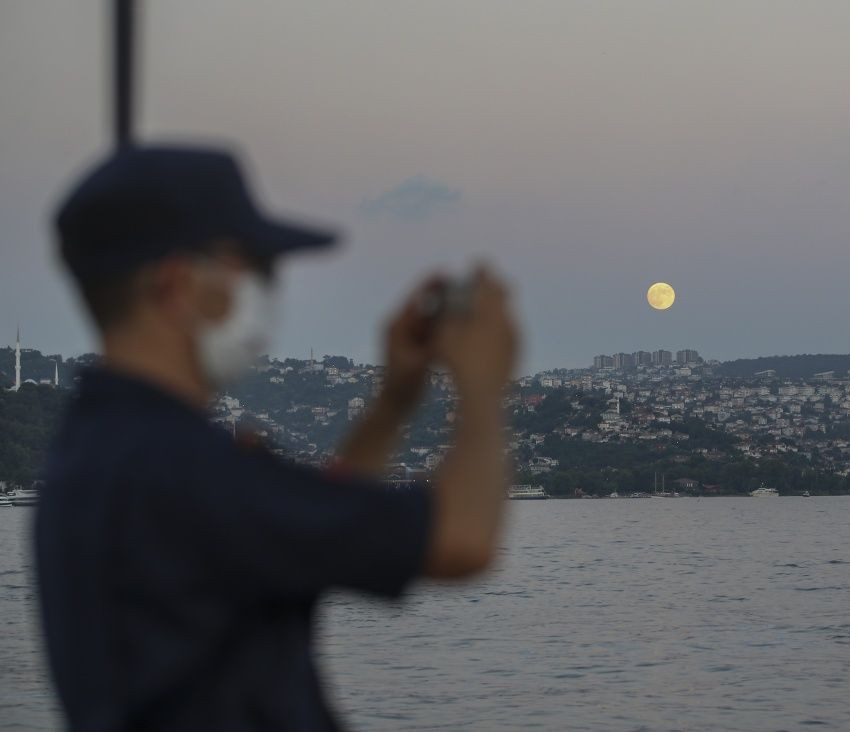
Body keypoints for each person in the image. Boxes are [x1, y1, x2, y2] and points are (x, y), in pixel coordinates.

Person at [35, 145, 518, 731]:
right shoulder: (182, 467)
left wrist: (393, 403)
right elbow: (461, 540)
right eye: (255, 267)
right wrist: (482, 383)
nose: (268, 288)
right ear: (179, 285)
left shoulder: (96, 449)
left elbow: (326, 527)